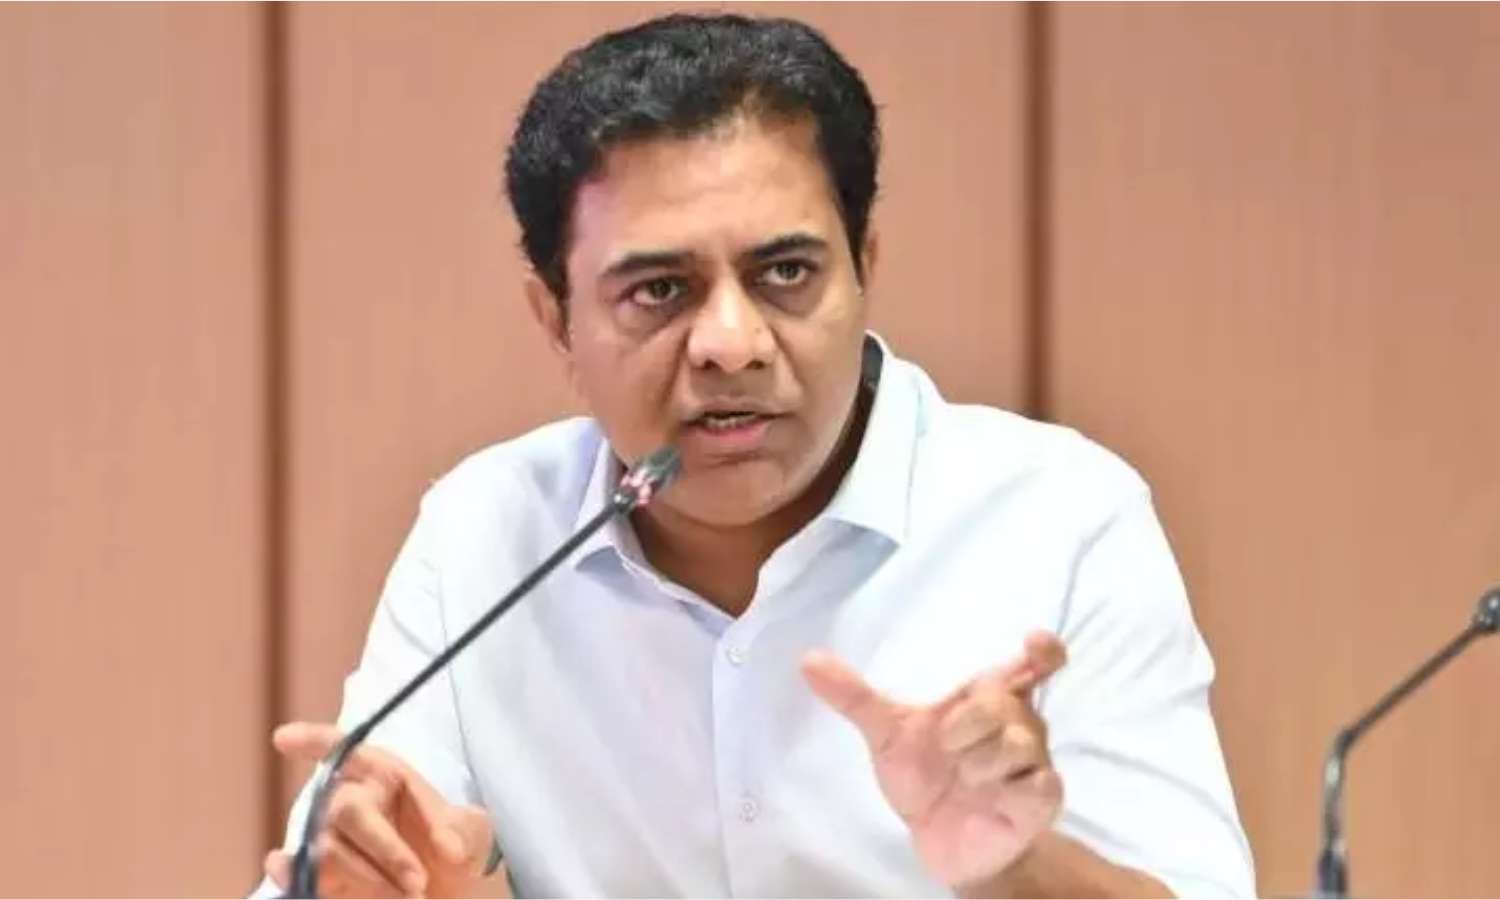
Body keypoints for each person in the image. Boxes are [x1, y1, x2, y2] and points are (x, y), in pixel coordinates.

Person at [257, 13, 1254, 898]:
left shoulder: (1060, 517)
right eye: (659, 291)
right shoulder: (484, 538)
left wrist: (1014, 870)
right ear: (556, 320)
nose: (730, 343)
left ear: (864, 266)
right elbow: (374, 863)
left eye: (784, 272)